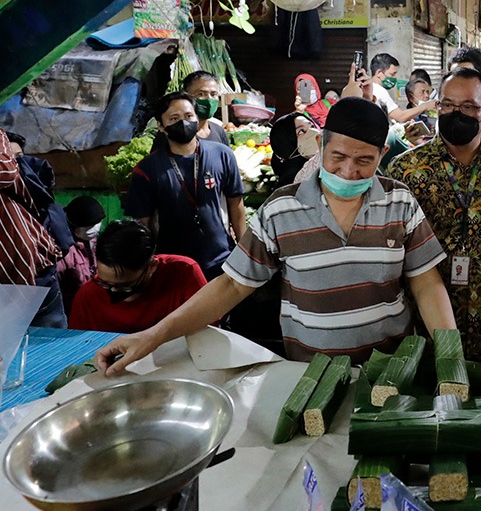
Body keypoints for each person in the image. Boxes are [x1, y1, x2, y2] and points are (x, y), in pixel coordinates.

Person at [96, 97, 458, 372]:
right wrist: (153, 335)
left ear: (382, 154)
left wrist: (450, 356)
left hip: (390, 371)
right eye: (338, 157)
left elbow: (426, 282)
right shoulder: (280, 209)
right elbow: (232, 286)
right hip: (309, 374)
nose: (348, 171)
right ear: (321, 145)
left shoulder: (399, 202)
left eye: (364, 161)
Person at [388, 68, 481, 365]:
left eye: (469, 107)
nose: (455, 113)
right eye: (447, 105)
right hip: (424, 333)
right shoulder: (405, 170)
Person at [124, 92, 246, 280]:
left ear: (197, 119)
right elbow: (143, 223)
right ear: (161, 126)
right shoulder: (146, 170)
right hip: (172, 266)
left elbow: (236, 204)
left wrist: (244, 251)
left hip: (221, 261)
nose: (183, 122)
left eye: (189, 116)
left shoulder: (222, 155)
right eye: (174, 118)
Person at [69, 220, 207, 333]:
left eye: (124, 286)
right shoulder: (88, 296)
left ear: (152, 266)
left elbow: (207, 328)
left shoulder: (183, 273)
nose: (114, 291)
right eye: (105, 283)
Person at [0, 128, 64, 327]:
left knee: (52, 342)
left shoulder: (12, 175)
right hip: (6, 286)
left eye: (18, 157)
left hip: (36, 278)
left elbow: (6, 173)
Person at [56, 195, 106, 314]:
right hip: (73, 310)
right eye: (89, 227)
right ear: (74, 227)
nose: (95, 229)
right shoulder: (63, 251)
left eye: (98, 223)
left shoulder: (98, 242)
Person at [367, 53, 437, 124]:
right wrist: (425, 106)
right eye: (392, 74)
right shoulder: (379, 90)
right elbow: (400, 116)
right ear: (379, 73)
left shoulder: (370, 88)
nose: (394, 78)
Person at [270, 113, 319, 187]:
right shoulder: (293, 182)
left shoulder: (321, 160)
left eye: (312, 126)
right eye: (301, 131)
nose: (314, 132)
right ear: (286, 144)